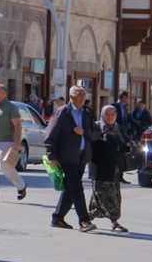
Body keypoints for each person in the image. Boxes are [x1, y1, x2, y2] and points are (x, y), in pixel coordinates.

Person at [45, 84, 98, 232]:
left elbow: (94, 133)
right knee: (76, 187)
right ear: (72, 97)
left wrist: (83, 132)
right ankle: (84, 221)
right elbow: (50, 135)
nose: (83, 98)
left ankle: (58, 217)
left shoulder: (87, 113)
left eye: (84, 95)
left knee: (70, 188)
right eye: (79, 95)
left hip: (82, 155)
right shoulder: (63, 112)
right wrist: (51, 155)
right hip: (66, 156)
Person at [90, 104, 130, 233]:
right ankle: (112, 220)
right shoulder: (96, 127)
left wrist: (127, 147)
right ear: (102, 115)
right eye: (107, 114)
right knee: (102, 195)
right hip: (100, 167)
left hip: (114, 168)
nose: (110, 117)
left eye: (113, 114)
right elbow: (94, 146)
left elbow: (123, 145)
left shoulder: (118, 128)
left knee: (114, 196)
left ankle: (89, 217)